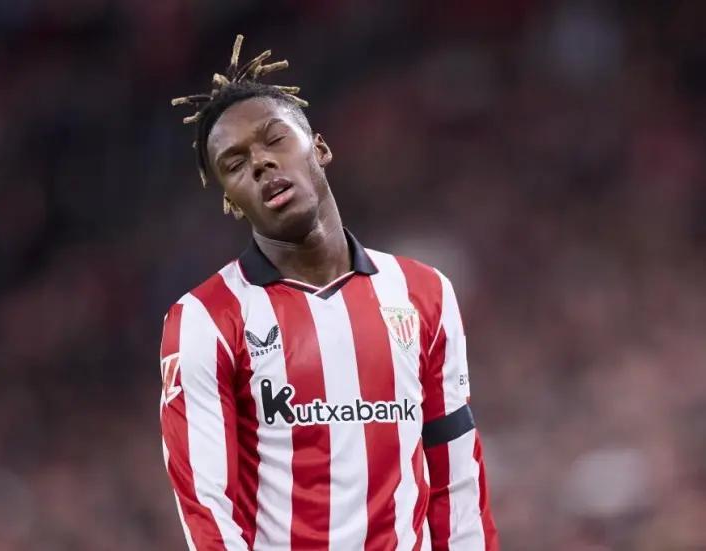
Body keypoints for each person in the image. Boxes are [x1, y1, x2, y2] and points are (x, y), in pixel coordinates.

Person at [161, 34, 498, 551]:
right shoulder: (206, 319)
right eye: (235, 163)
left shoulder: (424, 293)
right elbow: (207, 508)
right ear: (231, 198)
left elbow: (455, 474)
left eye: (274, 139)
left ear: (318, 147)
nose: (260, 162)